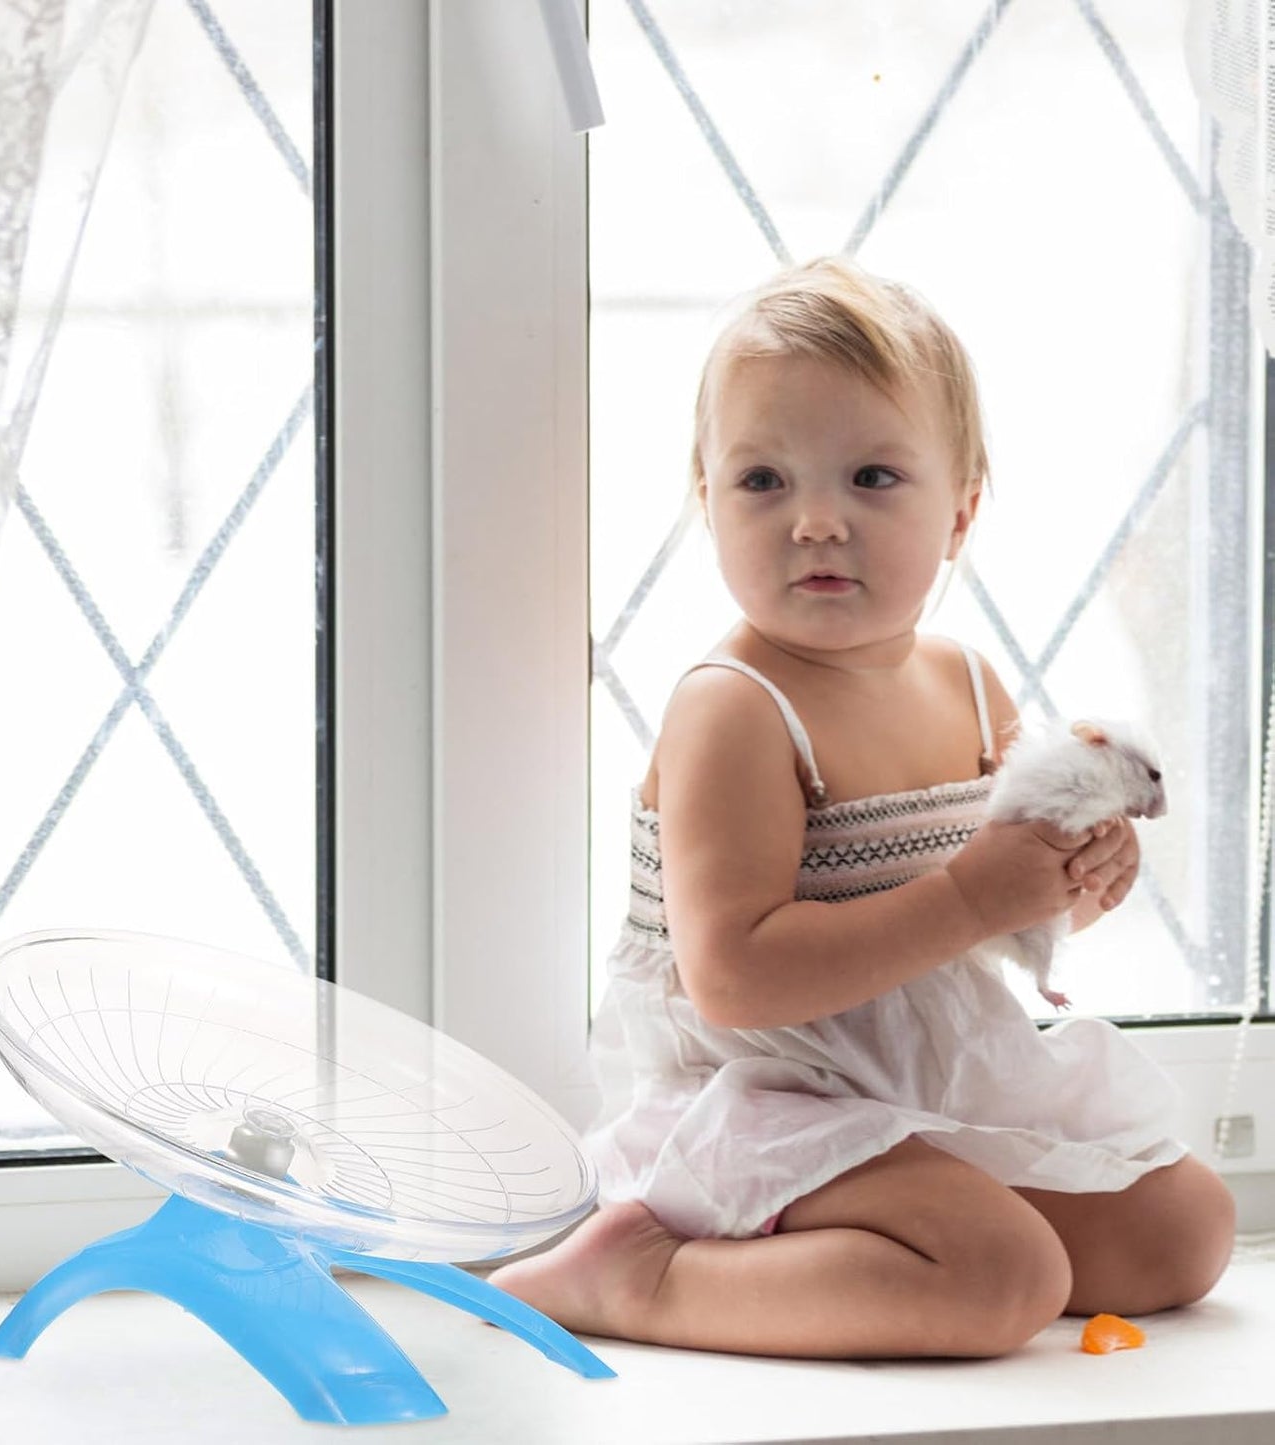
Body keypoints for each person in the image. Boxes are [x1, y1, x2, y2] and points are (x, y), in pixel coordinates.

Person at [489, 257, 1235, 1359]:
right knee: (1002, 1274)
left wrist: (1069, 881)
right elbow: (734, 982)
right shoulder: (736, 709)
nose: (815, 523)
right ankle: (644, 1273)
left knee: (1182, 1230)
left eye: (872, 478)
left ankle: (883, 1234)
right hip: (759, 1093)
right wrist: (970, 893)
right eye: (761, 482)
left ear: (960, 511)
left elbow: (993, 898)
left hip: (913, 1074)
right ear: (705, 500)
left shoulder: (969, 681)